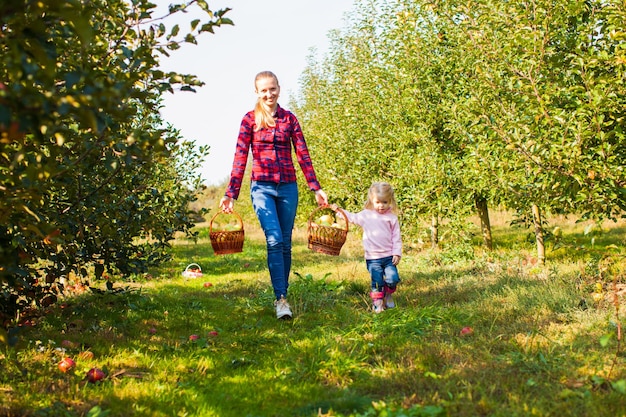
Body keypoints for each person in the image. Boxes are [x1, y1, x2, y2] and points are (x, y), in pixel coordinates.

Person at [219, 71, 328, 320]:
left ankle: (283, 294)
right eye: (264, 90)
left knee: (286, 244)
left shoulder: (289, 119)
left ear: (279, 88)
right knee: (274, 239)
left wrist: (316, 187)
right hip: (262, 188)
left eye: (272, 89)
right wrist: (231, 192)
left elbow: (303, 154)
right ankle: (280, 299)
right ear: (256, 92)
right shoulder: (250, 120)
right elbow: (240, 157)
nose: (269, 94)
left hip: (288, 187)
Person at [333, 182, 402, 313]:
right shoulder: (366, 215)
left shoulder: (392, 218)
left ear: (390, 201)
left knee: (393, 278)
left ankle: (388, 295)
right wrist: (339, 211)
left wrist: (397, 253)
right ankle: (378, 303)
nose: (381, 205)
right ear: (372, 200)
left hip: (388, 257)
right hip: (373, 257)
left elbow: (396, 237)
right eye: (377, 202)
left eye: (385, 202)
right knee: (377, 281)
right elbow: (352, 217)